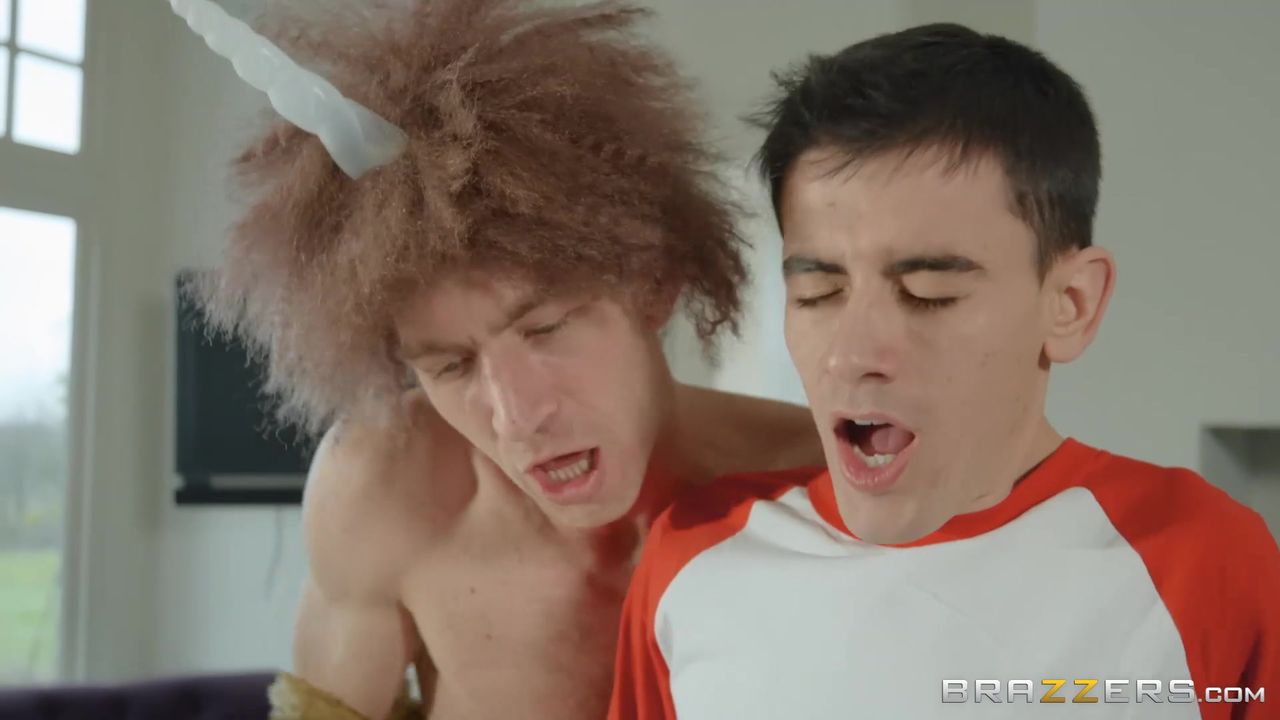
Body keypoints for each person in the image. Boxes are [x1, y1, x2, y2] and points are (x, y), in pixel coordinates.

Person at [609, 23, 1280, 719]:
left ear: (1071, 304)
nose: (850, 355)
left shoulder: (1203, 563)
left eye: (929, 293)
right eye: (817, 292)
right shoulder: (695, 560)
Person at [178, 1, 823, 718]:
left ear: (654, 286)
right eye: (451, 366)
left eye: (545, 329)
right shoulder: (383, 490)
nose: (518, 417)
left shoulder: (819, 486)